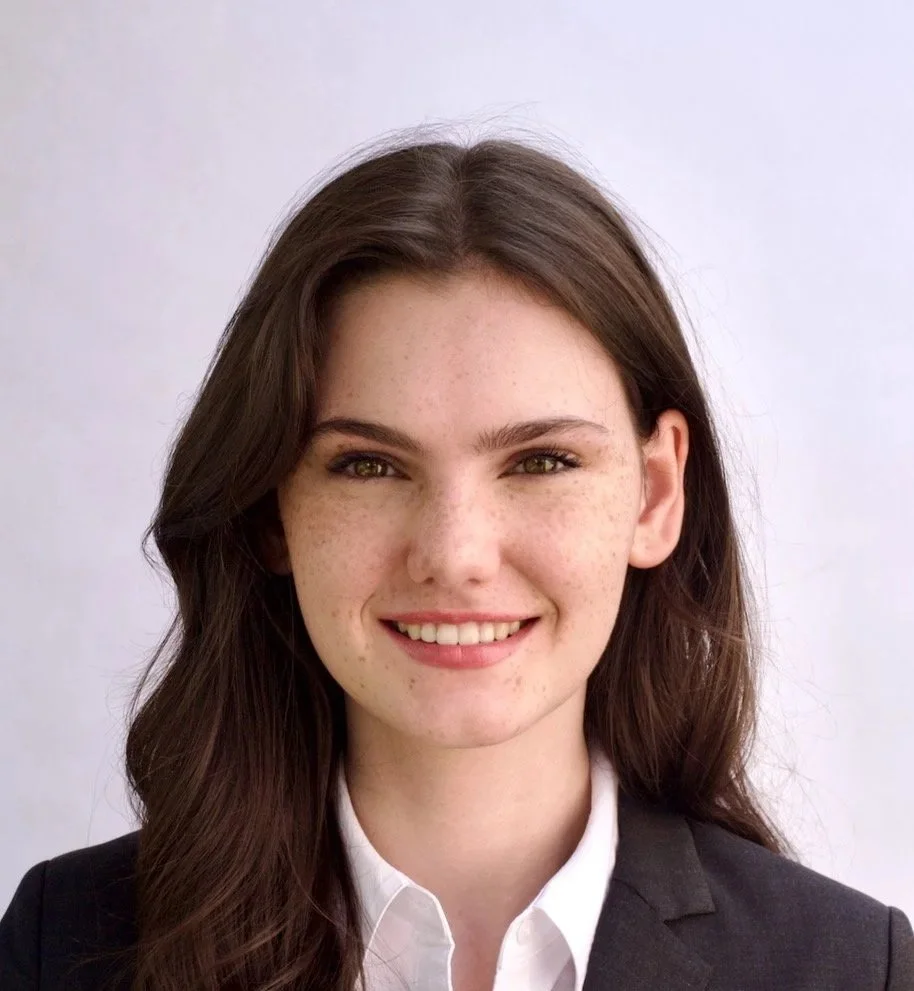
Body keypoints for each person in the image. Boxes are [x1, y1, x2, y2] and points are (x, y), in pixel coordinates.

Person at [1, 133, 911, 991]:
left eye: (541, 461)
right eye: (369, 465)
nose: (457, 554)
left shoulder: (844, 967)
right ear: (270, 508)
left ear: (655, 493)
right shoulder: (65, 944)